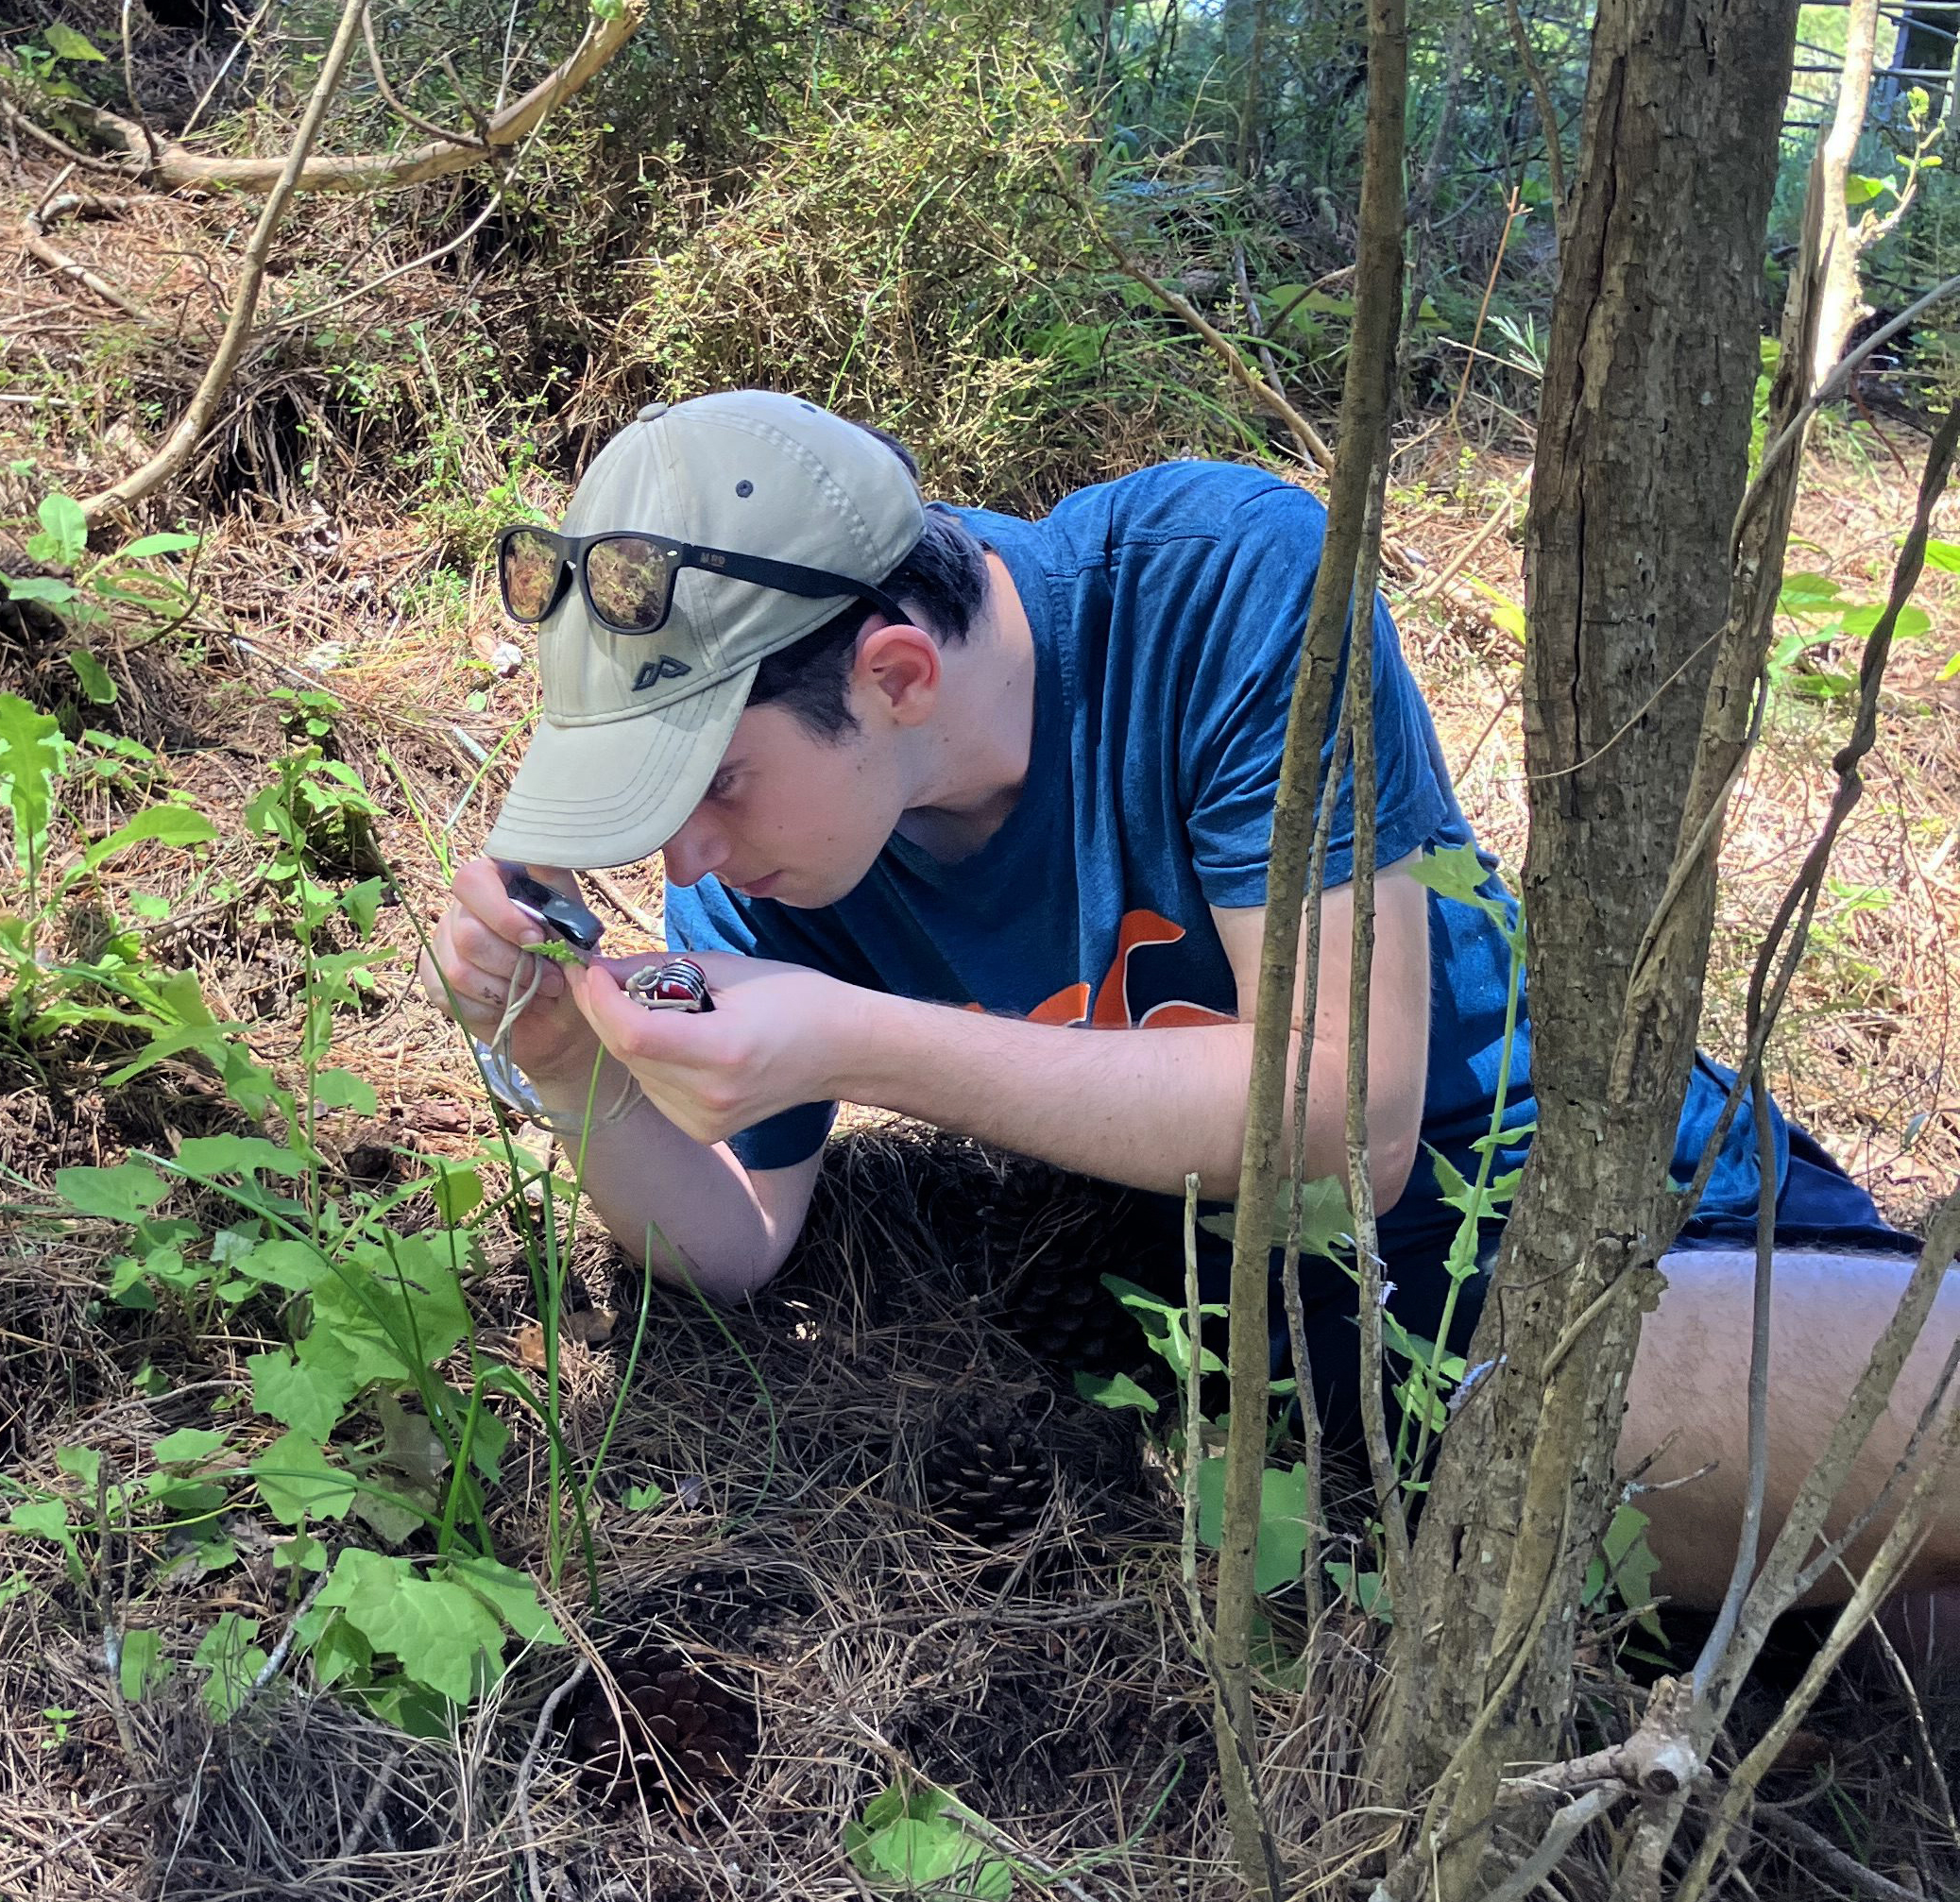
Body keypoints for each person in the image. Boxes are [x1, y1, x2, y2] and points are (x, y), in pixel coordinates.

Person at [421, 388, 1951, 1609]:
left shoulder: (1218, 584)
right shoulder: (774, 869)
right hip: (1372, 1354)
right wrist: (567, 1064)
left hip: (1602, 1204)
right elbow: (737, 1239)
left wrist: (860, 1039)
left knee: (1641, 1446)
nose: (679, 850)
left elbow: (1355, 1118)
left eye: (716, 784)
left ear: (895, 674)